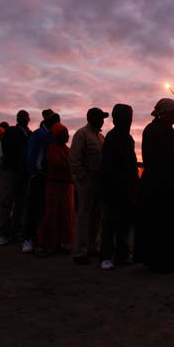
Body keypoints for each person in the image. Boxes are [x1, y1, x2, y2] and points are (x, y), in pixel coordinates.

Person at [134, 98, 174, 272]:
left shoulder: (166, 131)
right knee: (158, 224)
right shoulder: (153, 131)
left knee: (168, 224)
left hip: (167, 184)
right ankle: (157, 260)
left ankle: (169, 259)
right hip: (157, 186)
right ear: (163, 113)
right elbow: (155, 160)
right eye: (172, 114)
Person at [99, 104, 139, 270]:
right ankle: (106, 256)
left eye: (130, 116)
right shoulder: (112, 137)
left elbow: (132, 165)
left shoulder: (128, 139)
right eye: (126, 117)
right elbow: (107, 166)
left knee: (124, 223)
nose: (129, 120)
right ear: (117, 119)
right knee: (109, 223)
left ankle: (122, 255)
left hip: (126, 189)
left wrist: (134, 184)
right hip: (113, 188)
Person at [70, 107, 108, 265]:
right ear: (91, 118)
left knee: (96, 216)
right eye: (100, 117)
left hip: (97, 182)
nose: (103, 120)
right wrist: (82, 177)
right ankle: (80, 251)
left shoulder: (100, 137)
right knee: (84, 216)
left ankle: (92, 247)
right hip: (86, 181)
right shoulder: (82, 134)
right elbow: (74, 158)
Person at [22, 109, 60, 253]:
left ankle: (41, 239)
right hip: (38, 177)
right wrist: (33, 173)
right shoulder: (38, 135)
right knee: (34, 209)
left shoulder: (51, 135)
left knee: (45, 210)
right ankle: (28, 239)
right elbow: (31, 155)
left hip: (49, 178)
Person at [36, 123, 75, 256]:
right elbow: (58, 163)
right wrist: (70, 165)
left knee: (65, 216)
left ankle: (59, 244)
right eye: (64, 133)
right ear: (57, 135)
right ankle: (44, 244)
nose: (67, 136)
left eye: (67, 133)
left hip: (66, 186)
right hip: (55, 186)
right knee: (51, 215)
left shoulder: (67, 149)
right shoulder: (52, 148)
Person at [2, 110, 32, 239]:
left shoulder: (30, 134)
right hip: (12, 170)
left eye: (25, 117)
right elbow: (5, 148)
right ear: (17, 118)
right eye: (21, 117)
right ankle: (3, 229)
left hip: (24, 173)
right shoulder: (11, 131)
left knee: (21, 201)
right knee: (7, 200)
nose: (23, 119)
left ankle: (16, 227)